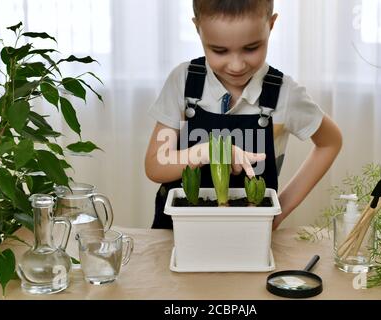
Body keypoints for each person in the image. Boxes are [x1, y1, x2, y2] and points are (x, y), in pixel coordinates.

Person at [145, 0, 342, 230]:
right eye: (219, 50)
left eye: (251, 48)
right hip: (177, 235)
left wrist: (278, 212)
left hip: (250, 236)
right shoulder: (184, 81)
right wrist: (210, 151)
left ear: (271, 24)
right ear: (198, 28)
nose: (236, 65)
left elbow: (330, 142)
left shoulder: (284, 94)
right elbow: (155, 165)